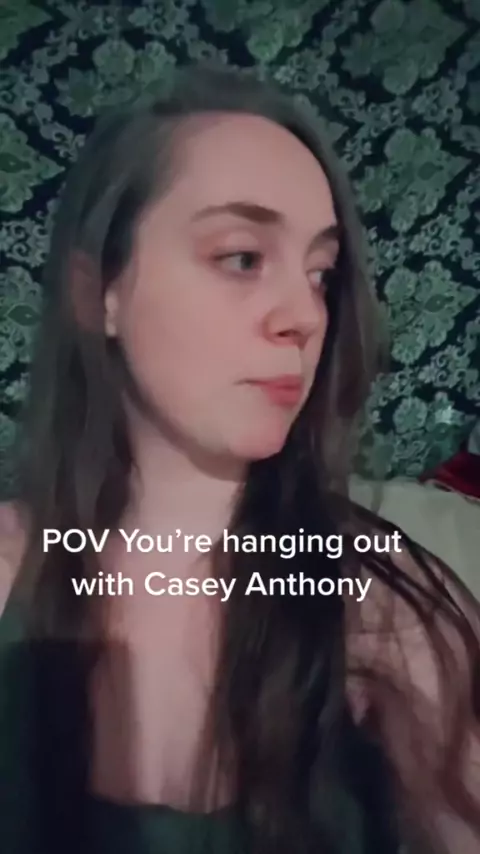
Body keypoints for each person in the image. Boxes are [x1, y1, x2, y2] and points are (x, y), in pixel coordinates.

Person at [0, 62, 478, 854]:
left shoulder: (380, 605)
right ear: (97, 293)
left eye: (320, 274)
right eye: (242, 257)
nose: (304, 315)